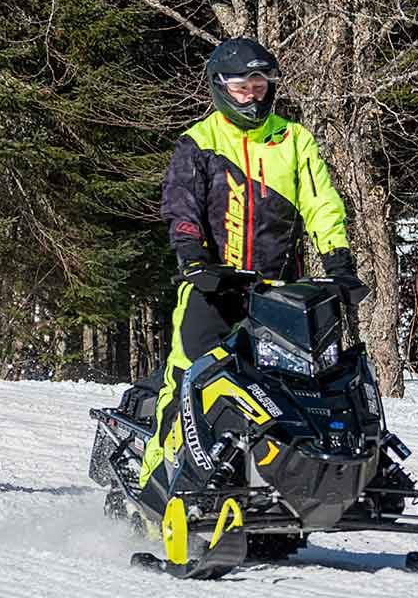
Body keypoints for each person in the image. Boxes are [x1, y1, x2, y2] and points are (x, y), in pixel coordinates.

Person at [137, 38, 368, 495]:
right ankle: (156, 484)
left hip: (274, 293)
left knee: (302, 385)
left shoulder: (294, 139)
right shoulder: (200, 141)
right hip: (211, 287)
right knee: (187, 378)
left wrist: (339, 261)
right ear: (221, 87)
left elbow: (321, 203)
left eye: (260, 85)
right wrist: (193, 258)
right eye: (243, 87)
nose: (253, 95)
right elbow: (181, 206)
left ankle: (307, 483)